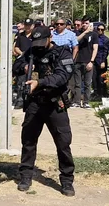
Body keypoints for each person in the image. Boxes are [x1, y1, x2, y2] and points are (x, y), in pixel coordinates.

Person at [14, 27, 75, 196]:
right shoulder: (31, 52)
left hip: (55, 103)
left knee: (63, 143)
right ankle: (25, 176)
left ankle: (67, 180)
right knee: (28, 141)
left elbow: (62, 77)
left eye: (42, 42)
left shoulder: (62, 53)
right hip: (35, 103)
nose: (39, 46)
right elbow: (16, 65)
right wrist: (25, 67)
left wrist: (38, 83)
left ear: (50, 38)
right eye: (36, 43)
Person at [71, 19, 98, 107]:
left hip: (88, 62)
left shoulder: (94, 34)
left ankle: (86, 102)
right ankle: (77, 102)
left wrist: (92, 61)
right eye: (84, 23)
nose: (85, 25)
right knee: (77, 84)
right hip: (78, 61)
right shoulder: (77, 33)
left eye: (87, 23)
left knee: (87, 84)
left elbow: (95, 48)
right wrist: (85, 32)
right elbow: (75, 41)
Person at [12, 19, 36, 107]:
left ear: (33, 26)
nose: (27, 27)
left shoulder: (35, 35)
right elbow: (16, 47)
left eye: (29, 25)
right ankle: (20, 101)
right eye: (26, 25)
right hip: (22, 61)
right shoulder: (20, 36)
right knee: (21, 82)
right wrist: (22, 53)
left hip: (34, 60)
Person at [93, 23, 109, 99]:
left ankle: (102, 93)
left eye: (102, 29)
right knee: (94, 78)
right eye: (98, 29)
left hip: (101, 60)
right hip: (94, 60)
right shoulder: (94, 37)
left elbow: (106, 51)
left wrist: (103, 61)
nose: (100, 31)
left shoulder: (106, 39)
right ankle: (96, 93)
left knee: (101, 78)